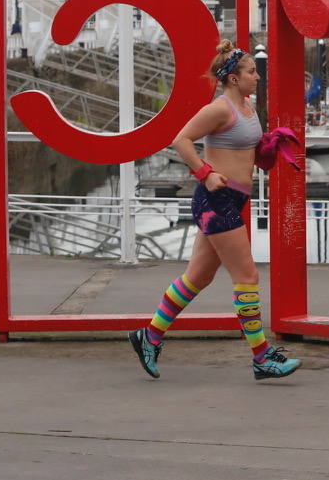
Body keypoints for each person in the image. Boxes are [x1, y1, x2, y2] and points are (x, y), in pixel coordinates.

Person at [128, 39, 301, 381]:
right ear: (233, 79)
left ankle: (148, 336)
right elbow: (181, 140)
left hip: (233, 198)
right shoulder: (221, 108)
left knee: (198, 277)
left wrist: (268, 146)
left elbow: (246, 152)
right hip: (216, 201)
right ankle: (262, 357)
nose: (257, 77)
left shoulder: (249, 109)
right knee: (247, 276)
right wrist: (205, 174)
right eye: (252, 72)